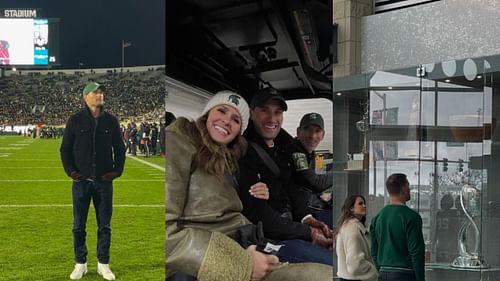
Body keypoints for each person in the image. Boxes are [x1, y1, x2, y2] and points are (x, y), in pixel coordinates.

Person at [166, 90, 333, 281]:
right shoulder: (177, 142)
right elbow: (165, 233)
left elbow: (286, 187)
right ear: (207, 113)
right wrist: (239, 264)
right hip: (215, 256)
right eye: (221, 111)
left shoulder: (230, 154)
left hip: (247, 241)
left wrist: (305, 218)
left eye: (236, 119)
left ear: (240, 128)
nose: (227, 122)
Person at [238, 87, 333, 265]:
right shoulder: (244, 152)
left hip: (291, 226)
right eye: (264, 110)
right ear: (251, 113)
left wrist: (308, 219)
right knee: (333, 265)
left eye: (277, 112)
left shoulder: (279, 148)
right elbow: (261, 216)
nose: (272, 119)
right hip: (269, 238)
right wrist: (308, 232)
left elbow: (290, 187)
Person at [60, 82, 126, 280]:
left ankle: (103, 264)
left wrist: (117, 171)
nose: (100, 95)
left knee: (104, 226)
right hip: (81, 182)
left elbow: (120, 149)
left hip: (104, 183)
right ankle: (80, 263)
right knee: (78, 225)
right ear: (85, 97)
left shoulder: (111, 121)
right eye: (95, 92)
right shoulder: (75, 120)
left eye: (101, 92)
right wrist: (71, 171)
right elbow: (65, 149)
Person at [370, 173, 425, 281]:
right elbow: (416, 253)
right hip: (405, 274)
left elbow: (374, 252)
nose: (410, 188)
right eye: (408, 185)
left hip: (383, 273)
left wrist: (381, 269)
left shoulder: (377, 218)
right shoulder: (412, 217)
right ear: (403, 188)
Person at [286, 112, 333, 227]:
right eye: (307, 129)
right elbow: (315, 183)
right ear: (298, 132)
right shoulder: (296, 152)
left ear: (322, 135)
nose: (312, 136)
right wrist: (339, 172)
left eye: (317, 131)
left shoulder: (309, 153)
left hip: (306, 205)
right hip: (297, 211)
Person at [334, 195, 378, 281]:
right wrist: (374, 273)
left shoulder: (347, 226)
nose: (364, 206)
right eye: (360, 204)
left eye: (364, 203)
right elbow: (355, 263)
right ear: (351, 208)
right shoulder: (352, 228)